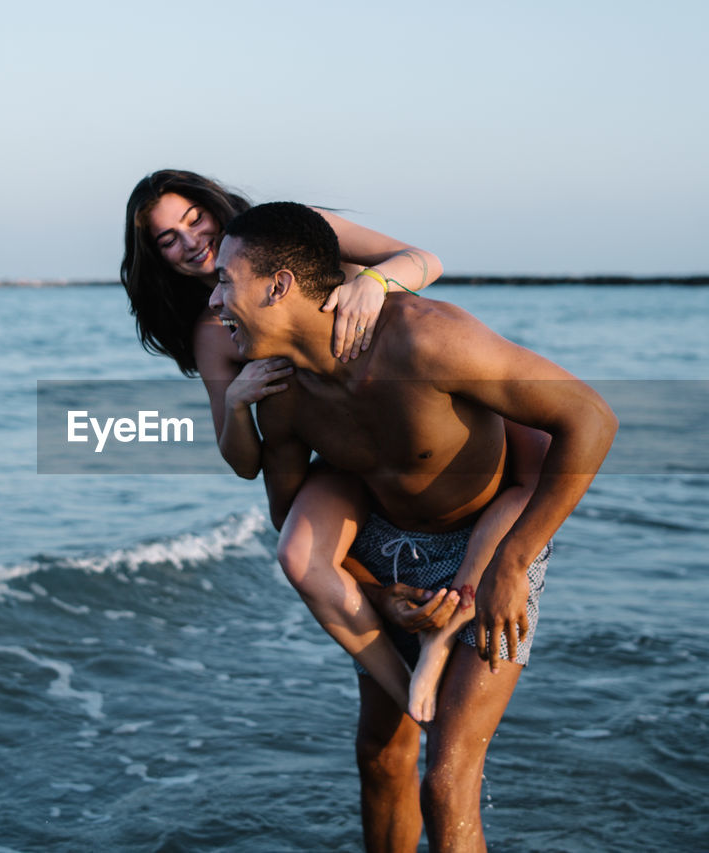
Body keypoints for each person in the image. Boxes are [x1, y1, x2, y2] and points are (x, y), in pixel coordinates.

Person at [210, 202, 617, 852]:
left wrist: (513, 563)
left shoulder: (424, 339)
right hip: (387, 551)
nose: (214, 300)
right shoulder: (281, 396)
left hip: (495, 543)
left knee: (446, 778)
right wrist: (375, 591)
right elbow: (292, 521)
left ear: (279, 284)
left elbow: (591, 419)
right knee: (379, 755)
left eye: (225, 280)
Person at [122, 171, 546, 718]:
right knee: (297, 553)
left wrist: (376, 282)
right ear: (157, 257)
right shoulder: (214, 331)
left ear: (214, 206)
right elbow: (245, 463)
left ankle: (450, 630)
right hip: (347, 452)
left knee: (522, 480)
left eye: (193, 220)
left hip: (419, 411)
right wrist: (236, 404)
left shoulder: (302, 233)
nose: (190, 241)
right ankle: (410, 698)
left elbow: (424, 259)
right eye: (168, 239)